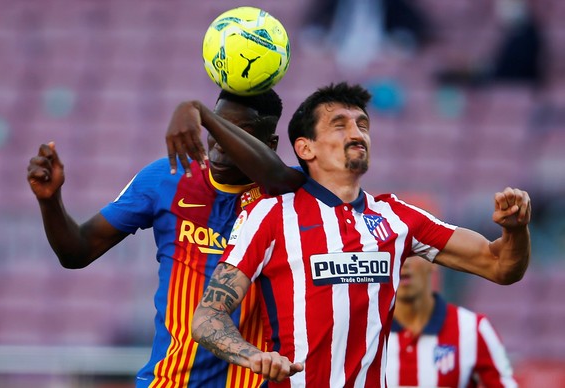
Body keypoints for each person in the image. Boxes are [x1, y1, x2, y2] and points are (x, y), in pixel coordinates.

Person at [191, 82, 531, 386]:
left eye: (362, 125)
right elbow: (208, 316)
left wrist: (515, 230)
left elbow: (500, 266)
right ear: (306, 148)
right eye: (340, 125)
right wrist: (252, 356)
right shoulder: (271, 215)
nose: (357, 134)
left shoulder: (398, 218)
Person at [26, 89, 303, 388]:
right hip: (167, 381)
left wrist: (199, 111)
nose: (220, 148)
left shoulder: (290, 195)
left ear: (269, 144)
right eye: (215, 129)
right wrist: (50, 201)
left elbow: (279, 177)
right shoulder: (164, 178)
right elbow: (77, 252)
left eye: (236, 134)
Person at [387, 255, 517, 387]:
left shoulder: (473, 329)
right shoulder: (368, 332)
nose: (403, 261)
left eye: (412, 252)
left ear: (433, 260)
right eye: (397, 251)